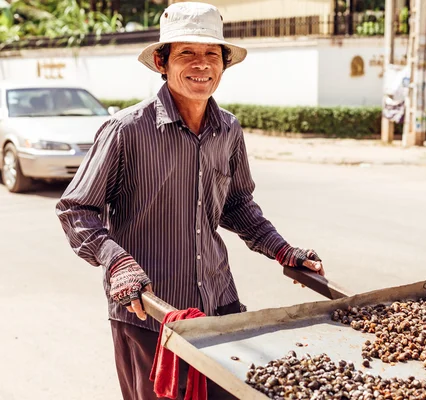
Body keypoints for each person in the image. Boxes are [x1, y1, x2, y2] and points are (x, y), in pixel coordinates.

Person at [55, 3, 324, 399]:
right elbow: (76, 209)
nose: (201, 65)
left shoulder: (228, 129)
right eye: (187, 54)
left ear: (224, 64)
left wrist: (282, 249)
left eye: (211, 54)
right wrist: (117, 261)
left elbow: (236, 204)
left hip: (220, 307)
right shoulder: (126, 130)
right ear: (162, 62)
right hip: (148, 313)